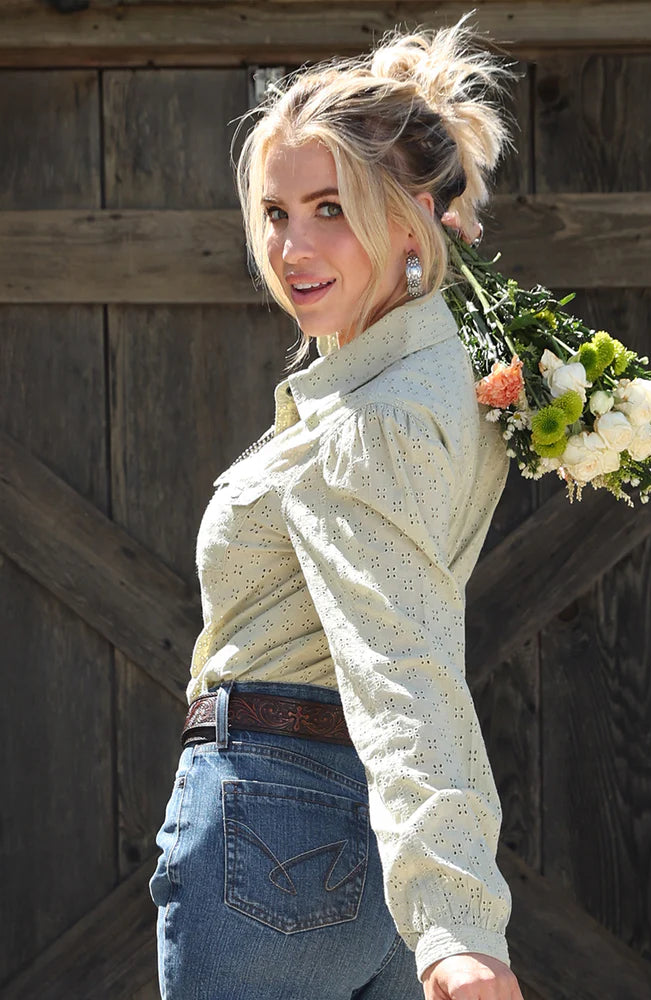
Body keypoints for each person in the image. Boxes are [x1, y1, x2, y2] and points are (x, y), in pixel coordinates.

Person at [149, 16, 525, 1000]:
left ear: (410, 221)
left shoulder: (373, 419)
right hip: (356, 839)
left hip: (276, 832)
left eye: (328, 208)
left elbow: (403, 657)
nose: (291, 245)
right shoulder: (447, 366)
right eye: (275, 212)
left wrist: (456, 921)